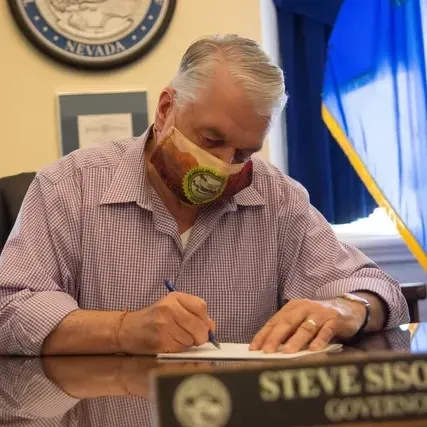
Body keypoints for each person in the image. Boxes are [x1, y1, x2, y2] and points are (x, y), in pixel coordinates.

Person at [0, 35, 408, 356]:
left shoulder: (276, 198)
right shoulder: (70, 186)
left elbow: (378, 287)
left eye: (244, 152)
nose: (223, 165)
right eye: (212, 139)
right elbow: (10, 309)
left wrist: (348, 308)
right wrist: (123, 330)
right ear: (165, 109)